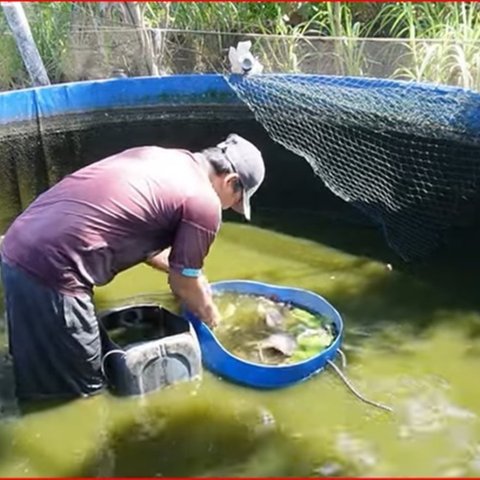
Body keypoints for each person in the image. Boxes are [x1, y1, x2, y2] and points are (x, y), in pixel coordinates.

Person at [0, 133, 265, 401]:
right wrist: (213, 318)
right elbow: (182, 284)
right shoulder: (205, 201)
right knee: (84, 390)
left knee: (35, 363)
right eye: (235, 202)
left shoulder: (164, 157)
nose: (229, 208)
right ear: (231, 182)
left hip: (18, 244)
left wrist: (195, 277)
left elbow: (146, 244)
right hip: (55, 269)